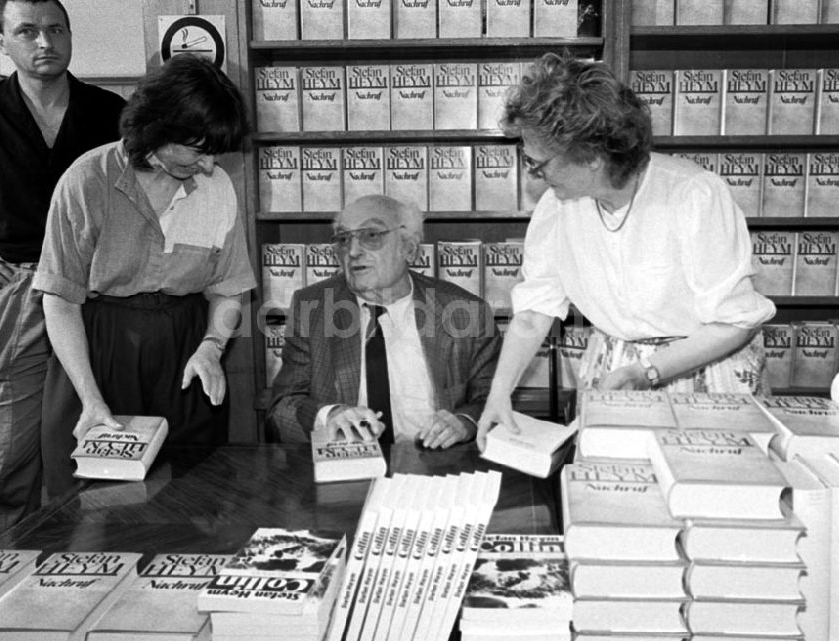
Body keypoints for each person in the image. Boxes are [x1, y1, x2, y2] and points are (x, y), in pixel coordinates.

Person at [477, 53, 776, 448]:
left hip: (704, 373)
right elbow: (534, 313)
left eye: (538, 163)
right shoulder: (557, 207)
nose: (534, 174)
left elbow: (737, 322)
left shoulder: (692, 195)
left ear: (593, 158)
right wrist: (500, 392)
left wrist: (647, 372)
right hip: (616, 370)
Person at [33, 54, 256, 498]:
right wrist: (91, 397)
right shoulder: (86, 181)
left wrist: (212, 348)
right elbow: (59, 300)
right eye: (197, 150)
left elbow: (229, 289)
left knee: (194, 496)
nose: (210, 166)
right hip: (98, 347)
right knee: (94, 497)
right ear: (157, 129)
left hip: (184, 351)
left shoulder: (216, 189)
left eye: (215, 153)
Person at [0, 0, 125, 528]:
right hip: (17, 286)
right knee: (14, 439)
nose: (44, 42)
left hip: (97, 294)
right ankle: (14, 554)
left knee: (100, 429)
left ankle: (94, 549)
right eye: (27, 31)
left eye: (55, 29)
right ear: (4, 42)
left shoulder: (110, 111)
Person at [267, 194, 500, 452]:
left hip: (438, 466)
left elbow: (493, 400)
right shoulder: (312, 307)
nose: (353, 251)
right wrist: (328, 416)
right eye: (344, 239)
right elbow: (281, 409)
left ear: (408, 248)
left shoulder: (465, 312)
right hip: (348, 471)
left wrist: (465, 423)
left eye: (371, 236)